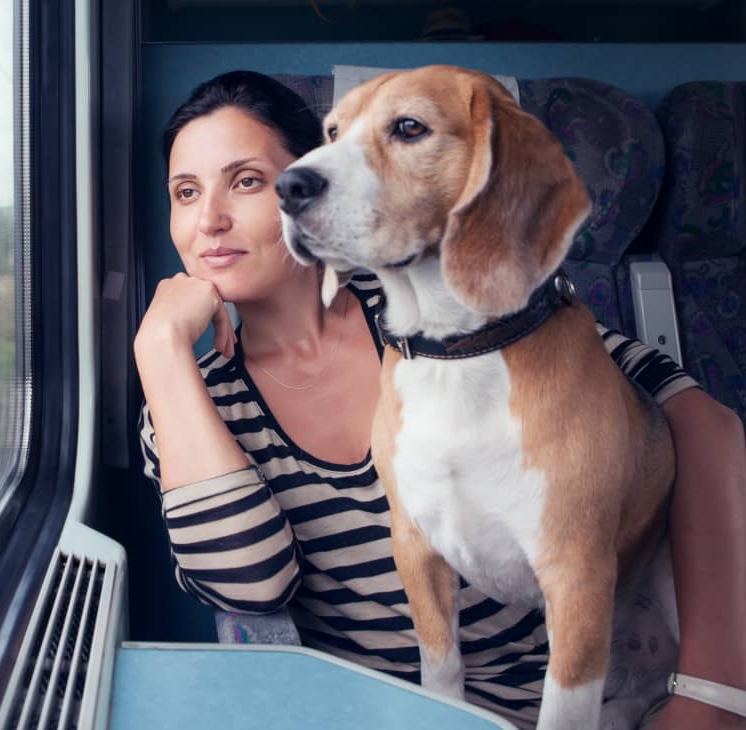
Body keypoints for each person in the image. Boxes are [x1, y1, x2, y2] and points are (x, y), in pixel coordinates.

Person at [135, 70, 746, 729]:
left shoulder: (452, 308)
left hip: (567, 693)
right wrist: (162, 350)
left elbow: (700, 421)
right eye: (185, 192)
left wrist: (712, 696)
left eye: (248, 180)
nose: (209, 221)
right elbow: (249, 586)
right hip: (387, 713)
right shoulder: (186, 408)